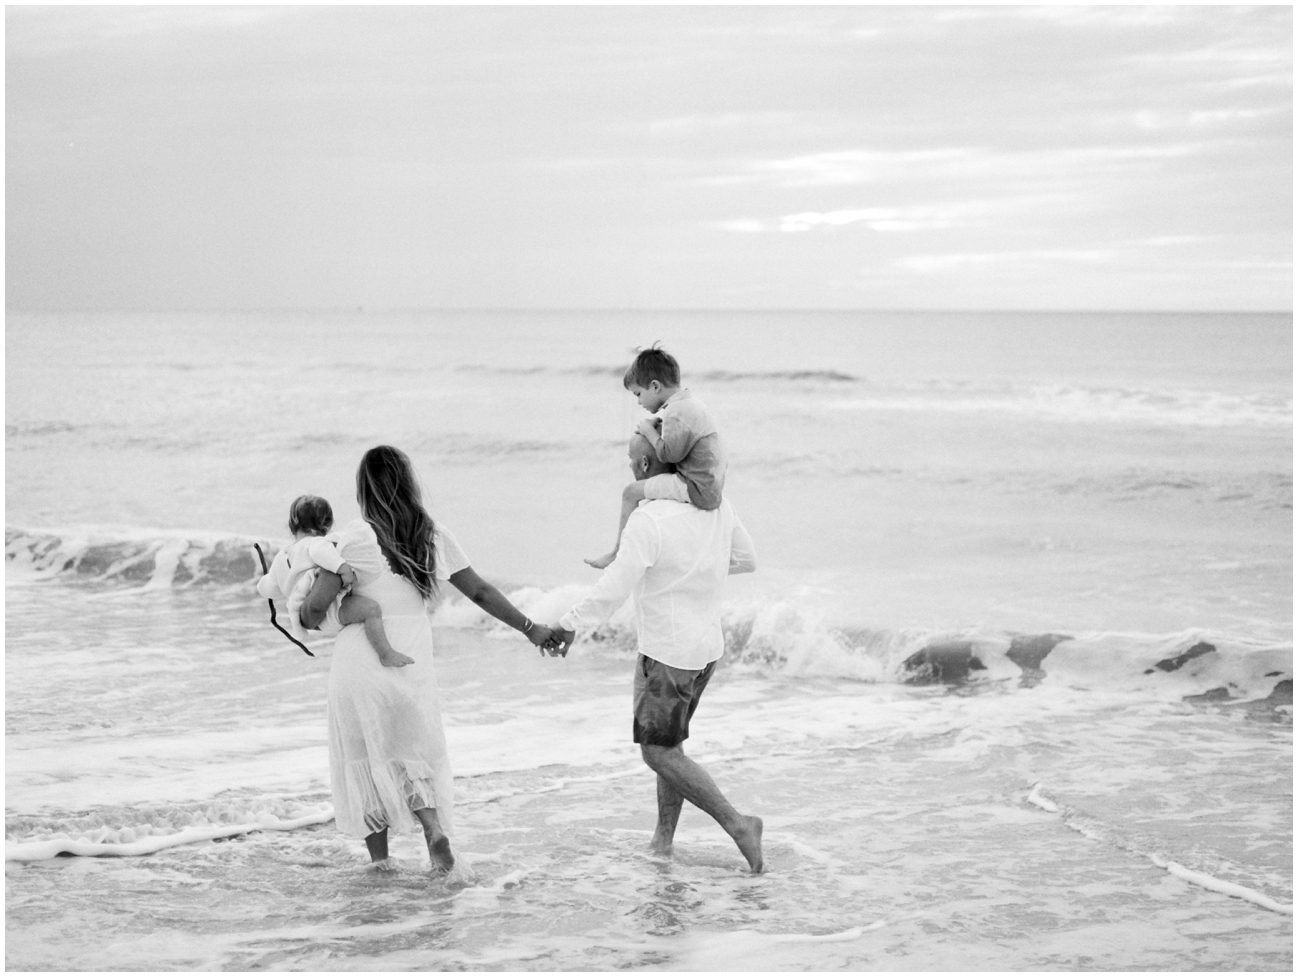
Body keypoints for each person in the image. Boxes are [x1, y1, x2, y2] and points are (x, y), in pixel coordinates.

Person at [299, 445, 558, 875]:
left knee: (362, 760)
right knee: (411, 752)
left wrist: (302, 598)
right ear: (408, 482)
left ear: (364, 489)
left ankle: (380, 863)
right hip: (411, 663)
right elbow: (480, 592)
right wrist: (532, 629)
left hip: (358, 667)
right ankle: (434, 831)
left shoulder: (351, 539)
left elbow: (312, 613)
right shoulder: (432, 535)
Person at [550, 432, 763, 873]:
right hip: (705, 649)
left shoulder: (648, 520)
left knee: (657, 752)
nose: (629, 466)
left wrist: (568, 624)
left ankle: (740, 825)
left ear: (647, 467)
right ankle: (663, 841)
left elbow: (612, 589)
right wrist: (694, 566)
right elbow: (747, 559)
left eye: (631, 459)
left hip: (667, 653)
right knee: (673, 746)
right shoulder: (715, 505)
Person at [585, 344, 726, 569]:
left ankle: (617, 552)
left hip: (695, 487)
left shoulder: (676, 411)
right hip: (711, 485)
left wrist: (648, 431)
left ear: (655, 386)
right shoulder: (692, 405)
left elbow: (668, 454)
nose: (638, 402)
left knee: (630, 493)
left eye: (638, 394)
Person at [256, 494, 414, 668]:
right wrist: (343, 569)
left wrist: (263, 585)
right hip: (329, 610)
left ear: (292, 525)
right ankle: (386, 653)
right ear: (327, 525)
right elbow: (321, 552)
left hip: (304, 616)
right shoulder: (316, 543)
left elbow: (269, 587)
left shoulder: (281, 557)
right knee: (371, 610)